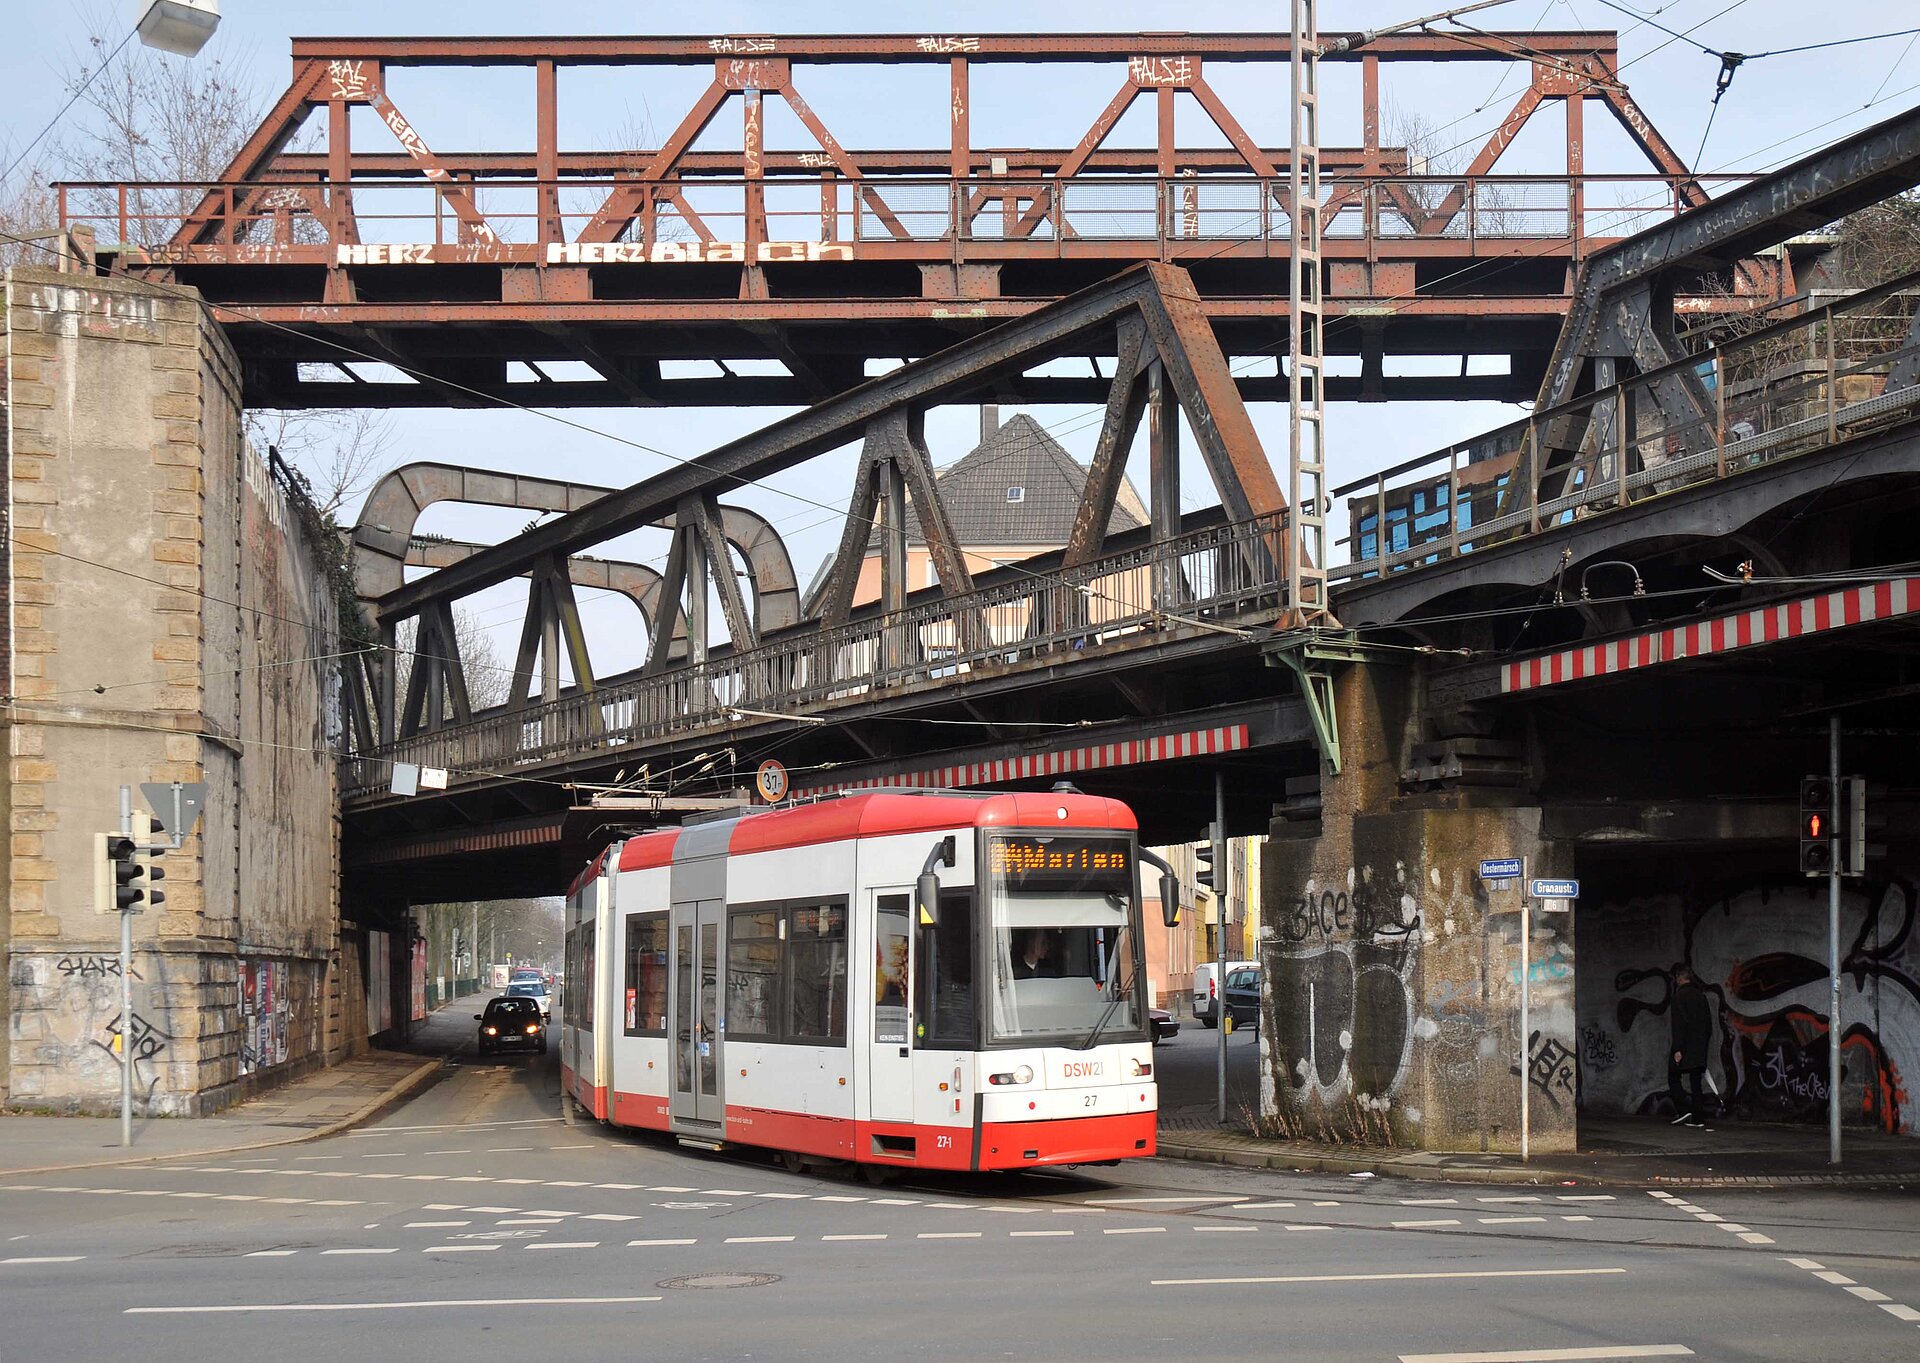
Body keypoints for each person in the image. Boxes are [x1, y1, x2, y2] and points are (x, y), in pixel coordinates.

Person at [1668, 964, 1714, 1129]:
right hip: (1700, 1046)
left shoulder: (1679, 997)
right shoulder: (1701, 996)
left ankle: (1683, 1108)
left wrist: (1678, 1048)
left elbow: (1679, 1024)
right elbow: (1708, 1025)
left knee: (1673, 1075)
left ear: (1680, 978)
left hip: (1685, 1045)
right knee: (1696, 1082)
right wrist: (1703, 1045)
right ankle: (1698, 1118)